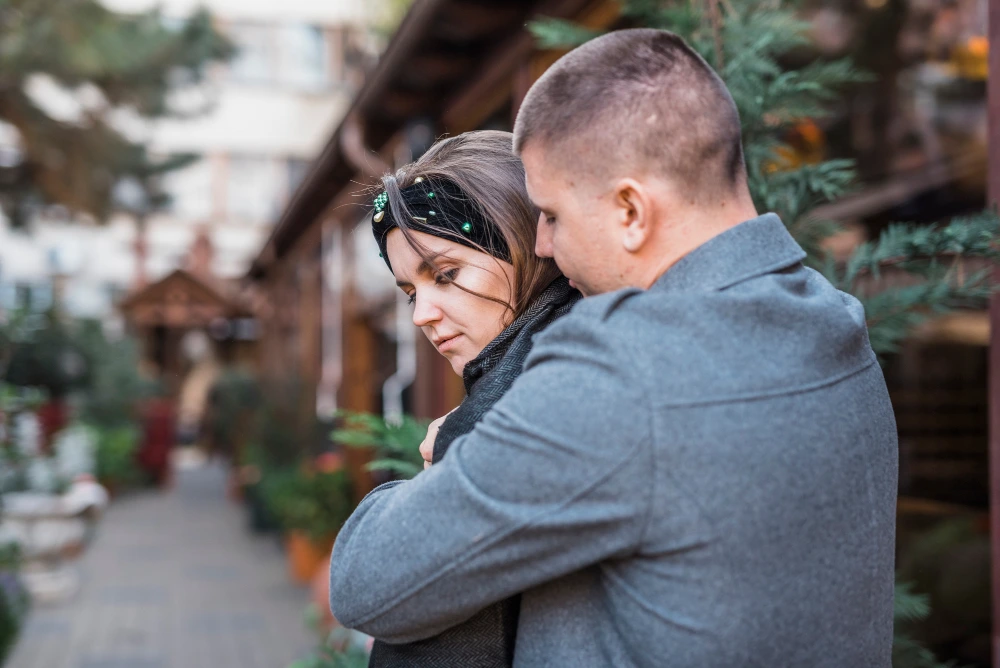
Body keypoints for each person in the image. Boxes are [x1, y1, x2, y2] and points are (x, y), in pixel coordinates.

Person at [330, 29, 898, 667]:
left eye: (550, 214)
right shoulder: (832, 322)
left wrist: (433, 476)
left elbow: (367, 584)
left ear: (630, 209)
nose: (542, 244)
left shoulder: (625, 374)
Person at [363, 130, 580, 666]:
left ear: (522, 241)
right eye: (412, 291)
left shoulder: (526, 396)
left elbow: (386, 594)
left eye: (445, 274)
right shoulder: (541, 362)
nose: (422, 316)